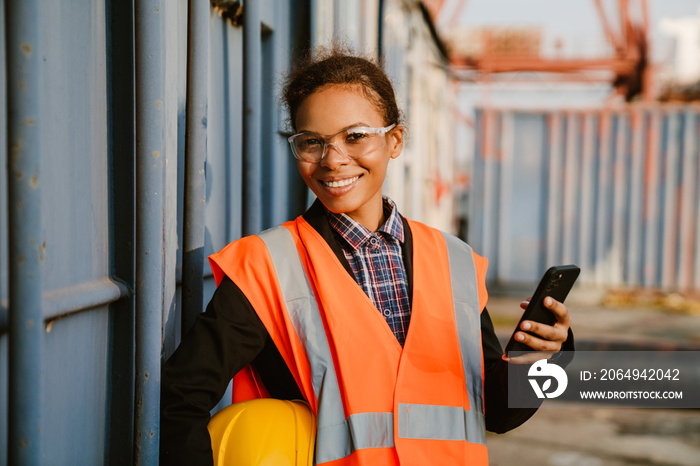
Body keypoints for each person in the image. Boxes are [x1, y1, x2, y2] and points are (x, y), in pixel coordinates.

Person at [160, 47, 574, 466]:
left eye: (355, 136)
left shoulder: (456, 263)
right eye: (311, 143)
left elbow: (500, 412)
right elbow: (181, 398)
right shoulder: (268, 266)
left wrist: (547, 359)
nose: (333, 160)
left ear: (394, 141)